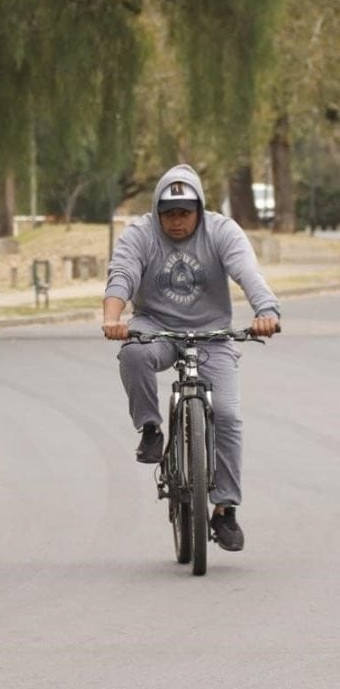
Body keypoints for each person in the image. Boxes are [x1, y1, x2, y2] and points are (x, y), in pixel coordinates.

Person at [102, 163, 280, 552]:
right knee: (132, 355)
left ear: (200, 209)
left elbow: (247, 271)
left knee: (230, 415)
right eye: (168, 213)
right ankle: (150, 429)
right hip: (157, 327)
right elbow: (122, 274)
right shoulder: (140, 234)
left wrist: (266, 311)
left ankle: (226, 508)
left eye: (184, 212)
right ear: (157, 211)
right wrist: (112, 318)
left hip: (212, 333)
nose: (177, 221)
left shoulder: (222, 231)